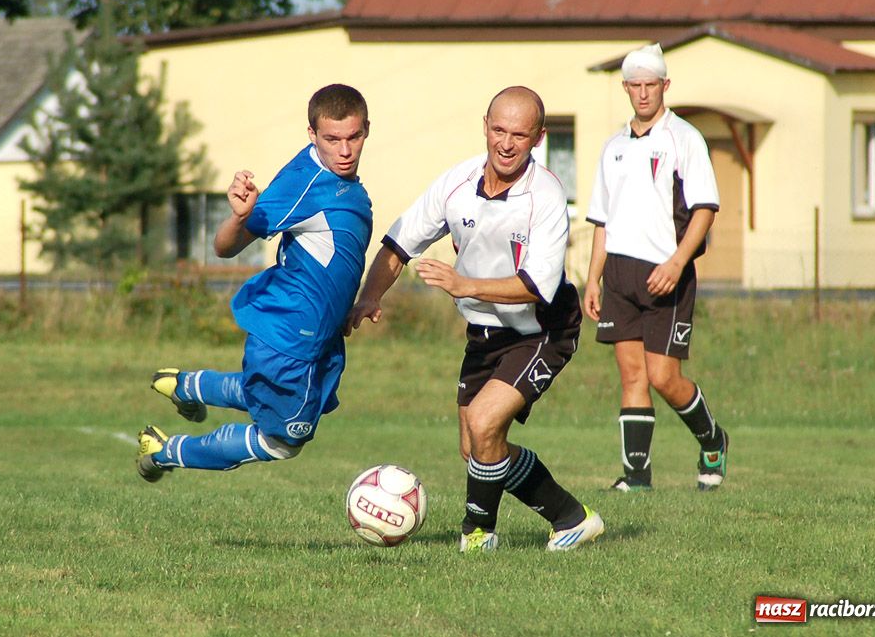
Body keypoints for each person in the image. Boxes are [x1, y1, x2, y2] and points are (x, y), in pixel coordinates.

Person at [345, 86, 604, 553]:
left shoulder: (544, 196)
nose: (506, 143)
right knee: (477, 448)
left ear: (539, 137)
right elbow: (400, 243)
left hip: (541, 329)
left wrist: (463, 285)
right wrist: (368, 297)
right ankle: (571, 517)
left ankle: (476, 534)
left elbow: (535, 286)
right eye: (499, 130)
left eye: (519, 134)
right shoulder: (456, 185)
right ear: (485, 125)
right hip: (484, 331)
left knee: (485, 424)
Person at [136, 83, 372, 481]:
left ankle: (186, 386)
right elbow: (224, 247)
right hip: (292, 334)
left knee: (270, 398)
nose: (345, 151)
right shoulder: (303, 183)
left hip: (318, 334)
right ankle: (164, 451)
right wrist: (241, 217)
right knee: (281, 441)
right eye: (332, 139)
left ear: (367, 129)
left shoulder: (334, 177)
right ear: (312, 135)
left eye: (353, 137)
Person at [583, 43, 729, 492]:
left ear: (665, 86)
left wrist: (677, 262)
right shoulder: (613, 147)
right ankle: (636, 480)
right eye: (636, 86)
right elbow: (602, 220)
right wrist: (592, 279)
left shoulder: (684, 138)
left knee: (664, 377)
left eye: (652, 85)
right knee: (632, 375)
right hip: (619, 276)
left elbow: (705, 209)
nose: (643, 94)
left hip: (666, 273)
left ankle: (713, 440)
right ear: (625, 88)